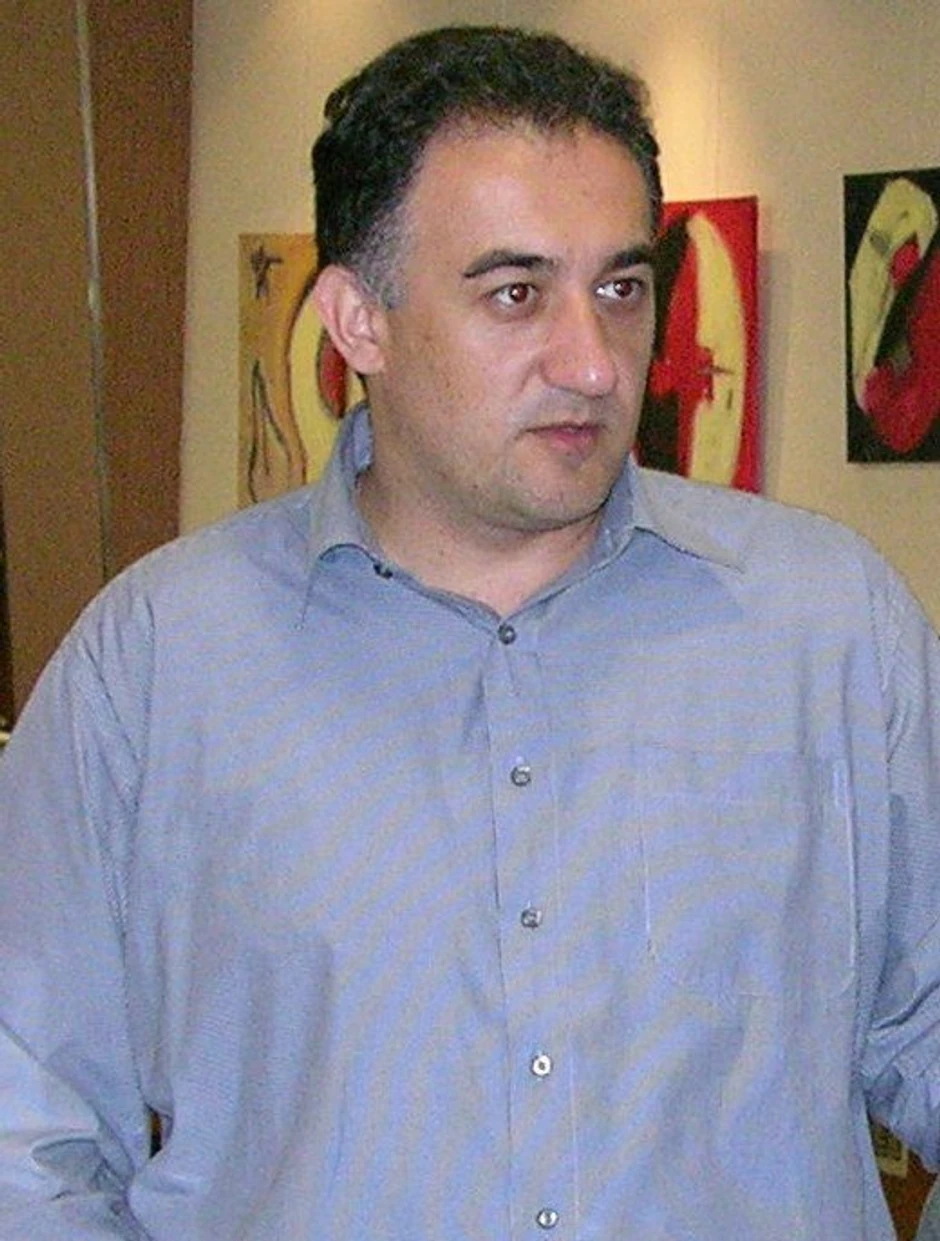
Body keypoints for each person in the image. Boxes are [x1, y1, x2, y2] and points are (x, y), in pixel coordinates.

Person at [0, 24, 938, 1241]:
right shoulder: (154, 666)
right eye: (514, 293)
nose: (592, 362)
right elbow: (27, 1128)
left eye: (621, 288)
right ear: (358, 320)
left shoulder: (831, 631)